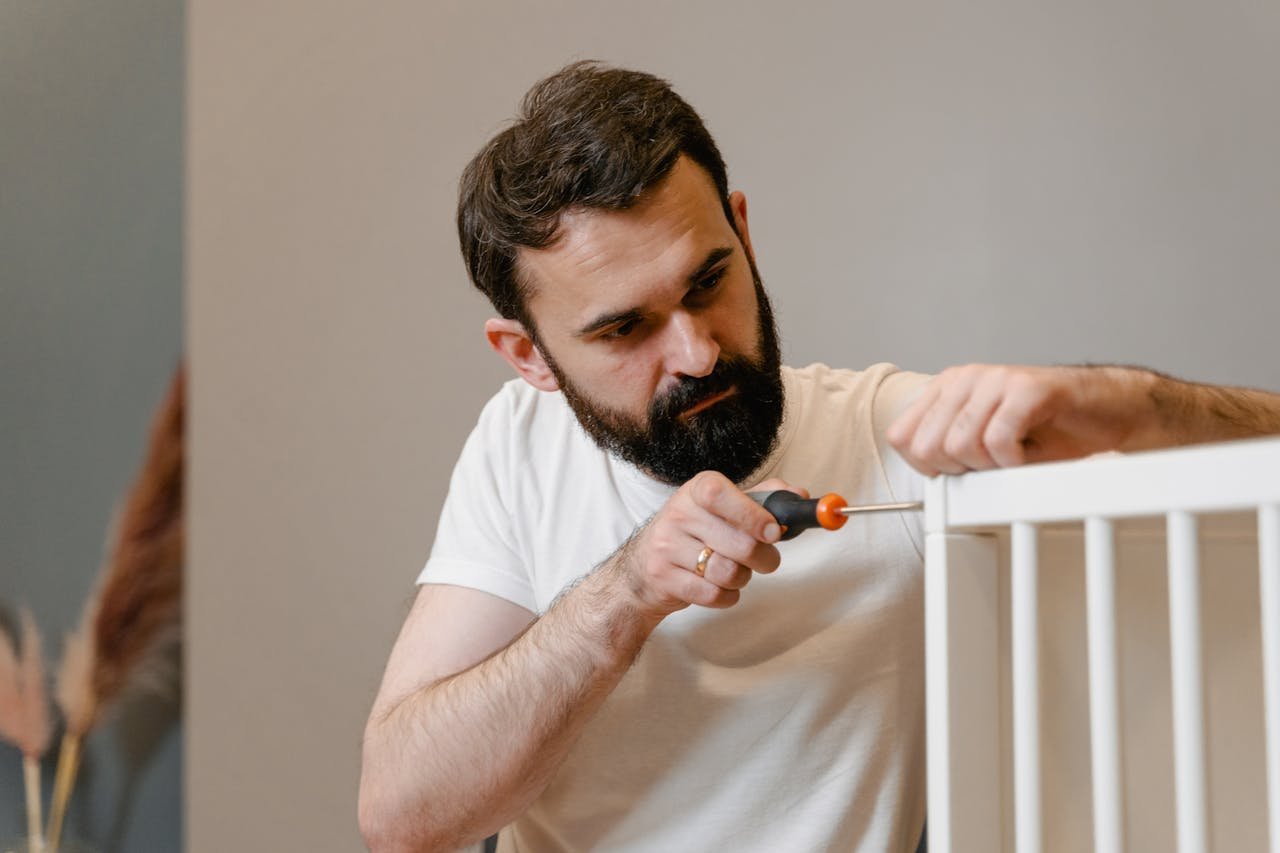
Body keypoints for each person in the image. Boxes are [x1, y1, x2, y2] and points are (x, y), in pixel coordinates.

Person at [358, 61, 1280, 852]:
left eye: (710, 280)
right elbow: (404, 813)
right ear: (529, 358)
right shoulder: (518, 450)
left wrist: (1132, 403)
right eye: (625, 328)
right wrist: (629, 591)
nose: (697, 352)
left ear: (744, 230)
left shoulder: (897, 439)